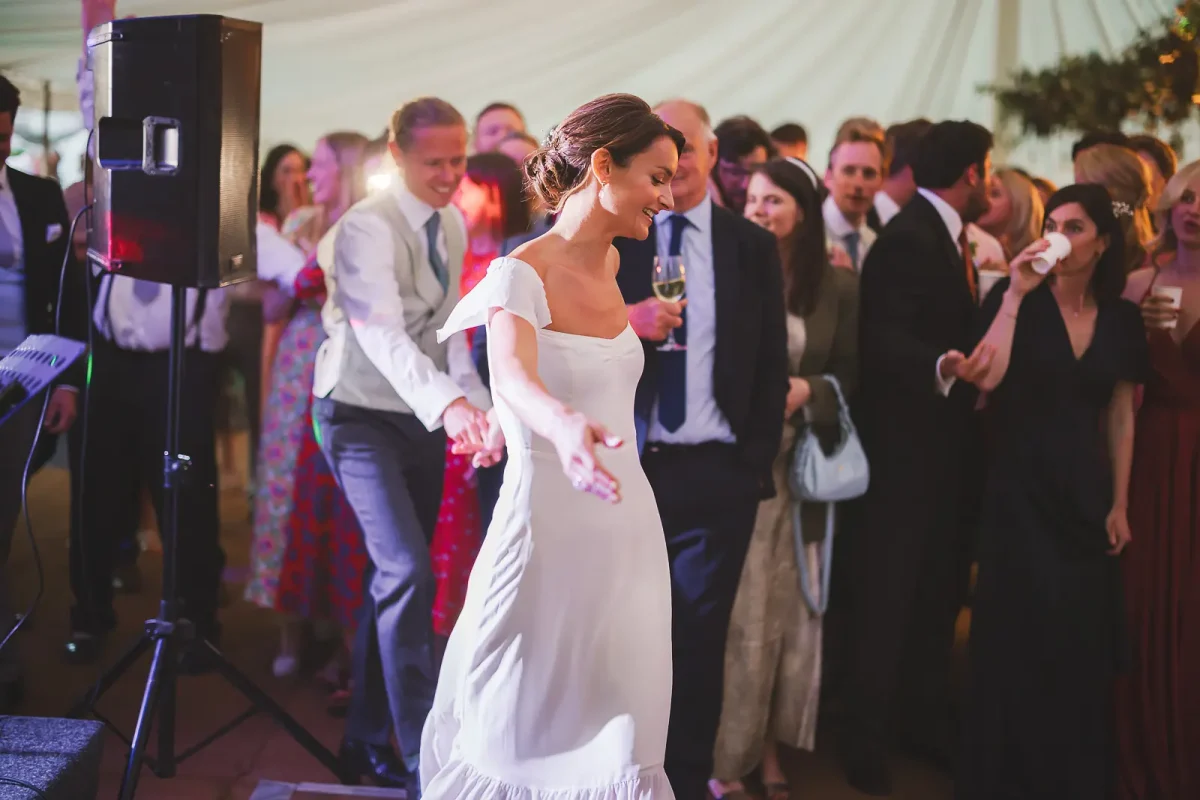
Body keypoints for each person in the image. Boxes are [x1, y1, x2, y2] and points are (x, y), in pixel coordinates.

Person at [421, 93, 685, 798]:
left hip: (627, 531)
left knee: (623, 730)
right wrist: (562, 426)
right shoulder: (519, 272)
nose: (667, 196)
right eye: (657, 177)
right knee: (519, 729)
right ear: (604, 165)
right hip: (545, 530)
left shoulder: (616, 270)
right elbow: (512, 375)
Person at [312, 98, 490, 791]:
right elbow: (381, 332)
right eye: (434, 162)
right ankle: (420, 754)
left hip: (419, 419)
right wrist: (450, 407)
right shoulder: (363, 227)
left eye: (458, 159)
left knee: (394, 581)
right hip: (356, 416)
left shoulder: (453, 220)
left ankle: (362, 740)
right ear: (397, 156)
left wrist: (477, 411)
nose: (450, 175)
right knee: (409, 573)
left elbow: (451, 337)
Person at [618, 99, 788, 800]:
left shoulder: (749, 246)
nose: (676, 162)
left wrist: (751, 465)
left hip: (718, 470)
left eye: (686, 146)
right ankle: (624, 776)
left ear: (713, 153)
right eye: (661, 147)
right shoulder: (620, 240)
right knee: (627, 633)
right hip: (632, 468)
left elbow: (772, 364)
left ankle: (685, 782)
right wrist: (629, 324)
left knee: (697, 635)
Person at [960, 183, 1147, 799]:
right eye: (1052, 222)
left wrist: (1119, 503)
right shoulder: (1016, 299)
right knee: (1013, 640)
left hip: (1085, 494)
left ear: (1103, 244)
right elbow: (986, 374)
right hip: (1018, 488)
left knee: (1076, 645)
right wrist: (1015, 292)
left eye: (1076, 226)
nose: (1060, 235)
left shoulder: (1120, 316)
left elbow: (1121, 414)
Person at [843, 120, 996, 795]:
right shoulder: (907, 239)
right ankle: (864, 744)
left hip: (944, 457)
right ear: (973, 173)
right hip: (903, 459)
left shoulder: (947, 237)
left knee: (932, 596)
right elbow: (880, 340)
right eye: (987, 170)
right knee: (888, 601)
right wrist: (942, 363)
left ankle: (918, 724)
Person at [711, 157, 858, 800]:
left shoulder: (838, 287)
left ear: (803, 208)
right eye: (753, 202)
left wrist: (810, 390)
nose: (761, 212)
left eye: (775, 202)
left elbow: (854, 375)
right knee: (739, 616)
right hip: (740, 468)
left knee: (792, 616)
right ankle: (726, 753)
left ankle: (770, 747)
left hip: (802, 471)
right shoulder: (729, 270)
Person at [0, 73, 85, 710]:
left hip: (22, 384)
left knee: (5, 519)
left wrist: (65, 380)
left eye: (3, 138)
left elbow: (66, 294)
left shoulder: (36, 193)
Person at [1116, 161, 1200, 800]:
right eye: (1189, 196)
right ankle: (1143, 757)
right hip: (1150, 456)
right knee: (1145, 601)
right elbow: (1113, 390)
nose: (1195, 208)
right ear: (1170, 203)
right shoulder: (1138, 283)